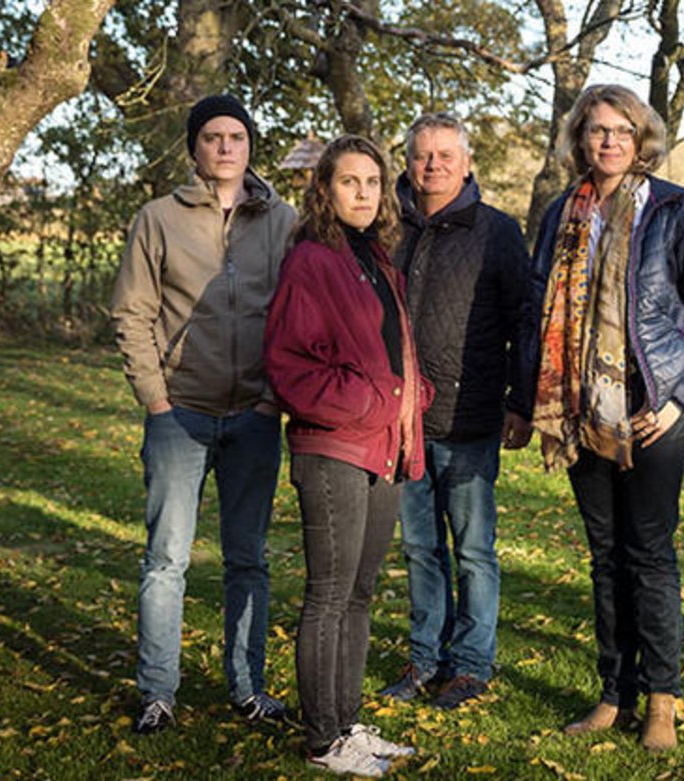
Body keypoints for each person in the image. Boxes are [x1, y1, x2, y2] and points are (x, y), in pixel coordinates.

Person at [523, 83, 684, 752]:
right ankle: (615, 692)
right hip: (583, 407)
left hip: (653, 409)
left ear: (642, 140)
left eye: (621, 129)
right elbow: (538, 312)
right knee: (605, 554)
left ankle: (662, 699)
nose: (608, 140)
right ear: (579, 139)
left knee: (649, 551)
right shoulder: (563, 212)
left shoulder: (674, 208)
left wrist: (677, 400)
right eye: (597, 129)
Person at [111, 94, 295, 736]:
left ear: (250, 146)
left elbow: (297, 313)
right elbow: (131, 312)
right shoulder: (157, 218)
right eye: (212, 137)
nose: (225, 147)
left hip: (254, 416)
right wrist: (155, 398)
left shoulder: (283, 220)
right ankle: (158, 691)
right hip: (179, 415)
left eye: (236, 136)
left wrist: (275, 396)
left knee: (249, 559)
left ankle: (248, 688)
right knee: (167, 560)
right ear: (194, 148)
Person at [264, 135, 428, 777]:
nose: (364, 193)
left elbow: (388, 351)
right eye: (349, 182)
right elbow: (286, 362)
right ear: (324, 190)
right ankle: (322, 738)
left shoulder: (375, 257)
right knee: (328, 593)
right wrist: (364, 402)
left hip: (385, 447)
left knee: (359, 593)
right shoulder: (312, 259)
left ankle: (348, 723)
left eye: (373, 182)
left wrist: (413, 395)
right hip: (334, 445)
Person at [378, 113, 534, 710]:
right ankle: (424, 659)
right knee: (420, 549)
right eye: (422, 156)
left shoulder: (497, 231)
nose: (433, 165)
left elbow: (524, 319)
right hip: (402, 426)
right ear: (408, 163)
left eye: (446, 155)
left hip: (471, 419)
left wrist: (520, 401)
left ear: (467, 164)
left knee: (473, 551)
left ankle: (470, 665)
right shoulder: (388, 228)